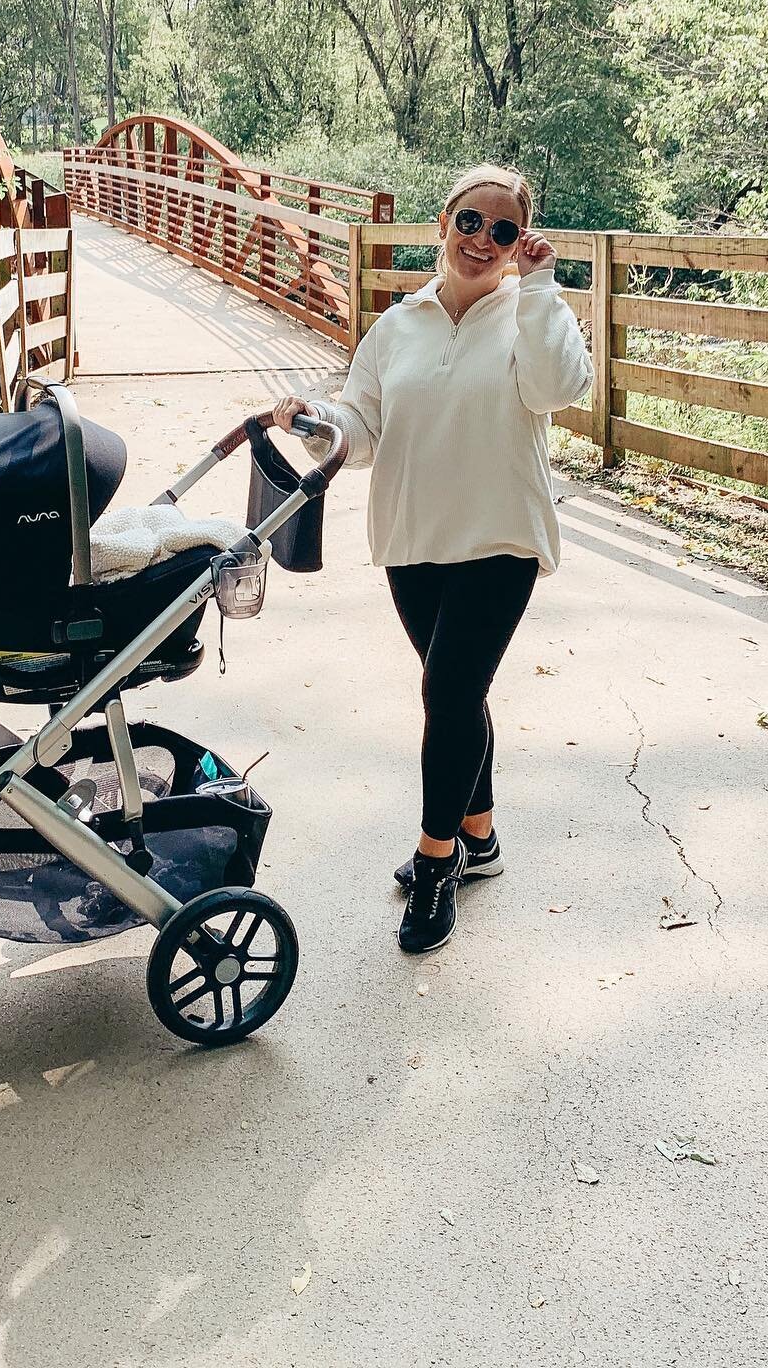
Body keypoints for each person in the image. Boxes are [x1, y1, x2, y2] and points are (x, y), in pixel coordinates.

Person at [273, 165, 593, 954]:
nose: (485, 240)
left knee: (448, 692)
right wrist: (318, 421)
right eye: (471, 223)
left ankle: (436, 861)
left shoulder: (531, 314)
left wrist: (544, 285)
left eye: (505, 230)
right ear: (442, 225)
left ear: (522, 242)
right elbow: (365, 427)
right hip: (413, 538)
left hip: (501, 537)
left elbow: (560, 389)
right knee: (457, 694)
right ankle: (480, 838)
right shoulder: (397, 324)